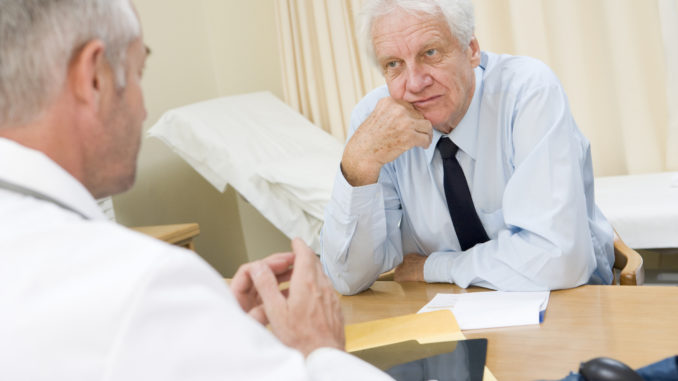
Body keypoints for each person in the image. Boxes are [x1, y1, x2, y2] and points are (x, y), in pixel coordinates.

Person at [0, 0, 391, 379]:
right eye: (138, 73)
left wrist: (211, 333)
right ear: (95, 77)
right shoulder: (141, 284)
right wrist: (319, 350)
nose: (143, 110)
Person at [321, 0, 615, 295]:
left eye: (430, 53)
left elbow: (559, 261)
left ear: (471, 50)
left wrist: (433, 267)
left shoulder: (527, 92)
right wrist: (358, 165)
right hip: (449, 316)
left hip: (570, 304)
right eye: (393, 64)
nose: (414, 83)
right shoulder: (375, 123)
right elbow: (348, 279)